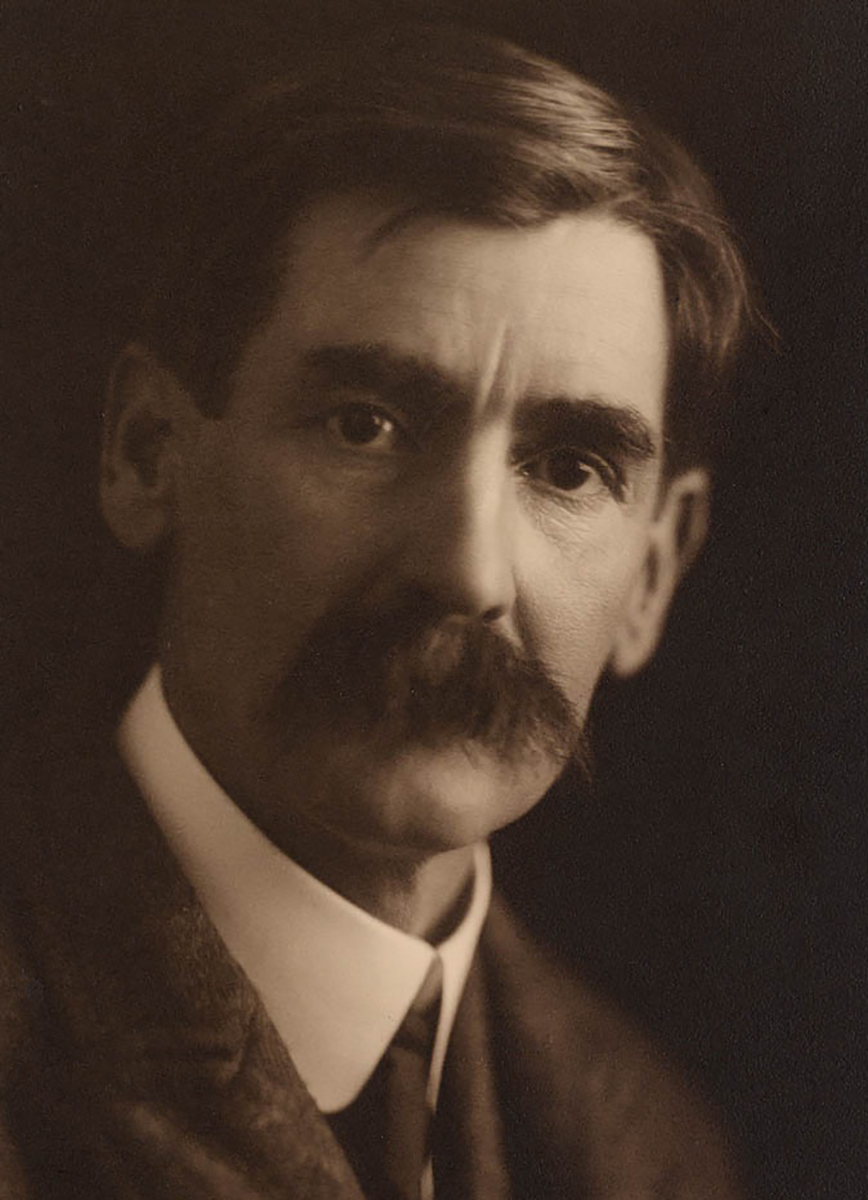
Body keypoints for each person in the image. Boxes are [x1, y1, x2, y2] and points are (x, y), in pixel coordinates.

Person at [0, 20, 753, 1199]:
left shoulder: (655, 1147)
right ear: (149, 452)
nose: (466, 571)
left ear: (652, 575)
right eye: (366, 424)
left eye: (567, 468)